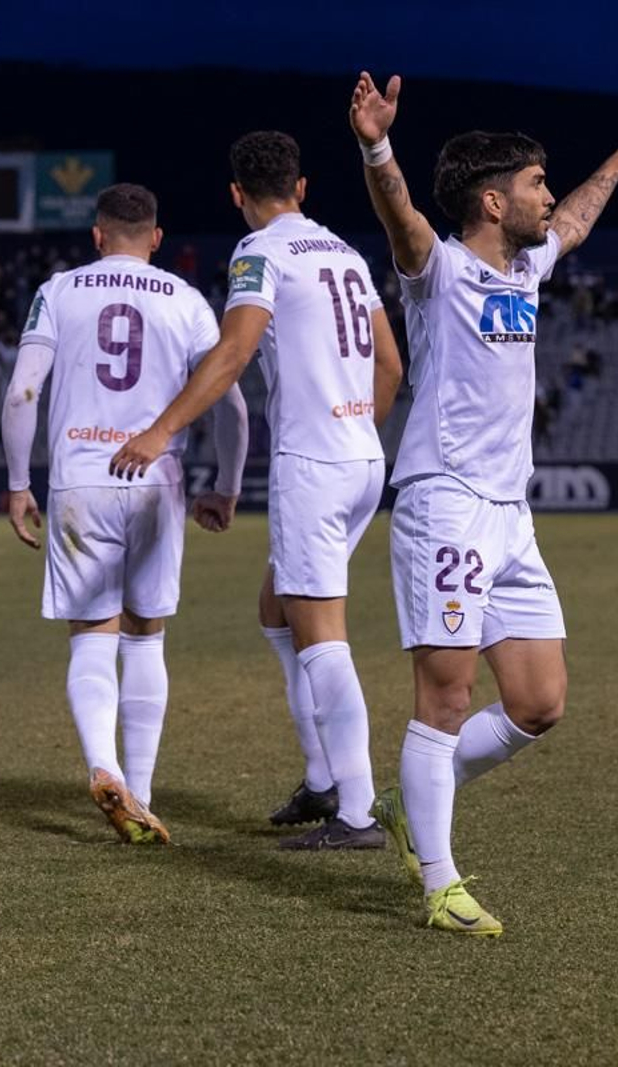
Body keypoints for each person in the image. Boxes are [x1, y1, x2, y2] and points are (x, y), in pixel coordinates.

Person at [345, 71, 618, 936]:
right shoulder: (438, 270)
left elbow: (575, 222)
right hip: (444, 502)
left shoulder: (525, 268)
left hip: (509, 514)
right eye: (533, 182)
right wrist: (378, 144)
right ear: (492, 199)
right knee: (443, 698)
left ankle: (417, 801)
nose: (546, 196)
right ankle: (440, 881)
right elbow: (399, 218)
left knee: (538, 701)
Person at [107, 131, 404, 851]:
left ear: (237, 195)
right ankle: (322, 775)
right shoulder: (342, 251)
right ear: (301, 189)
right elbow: (391, 364)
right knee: (277, 608)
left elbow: (234, 350)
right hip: (364, 456)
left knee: (320, 634)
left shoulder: (258, 252)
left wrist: (159, 429)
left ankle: (356, 810)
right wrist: (357, 425)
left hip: (317, 464)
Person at [1, 183, 249, 844]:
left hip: (82, 478)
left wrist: (19, 481)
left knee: (92, 632)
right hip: (154, 478)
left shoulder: (59, 290)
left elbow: (23, 389)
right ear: (158, 238)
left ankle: (103, 766)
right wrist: (225, 484)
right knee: (147, 632)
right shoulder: (189, 302)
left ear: (97, 235)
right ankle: (138, 787)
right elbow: (232, 403)